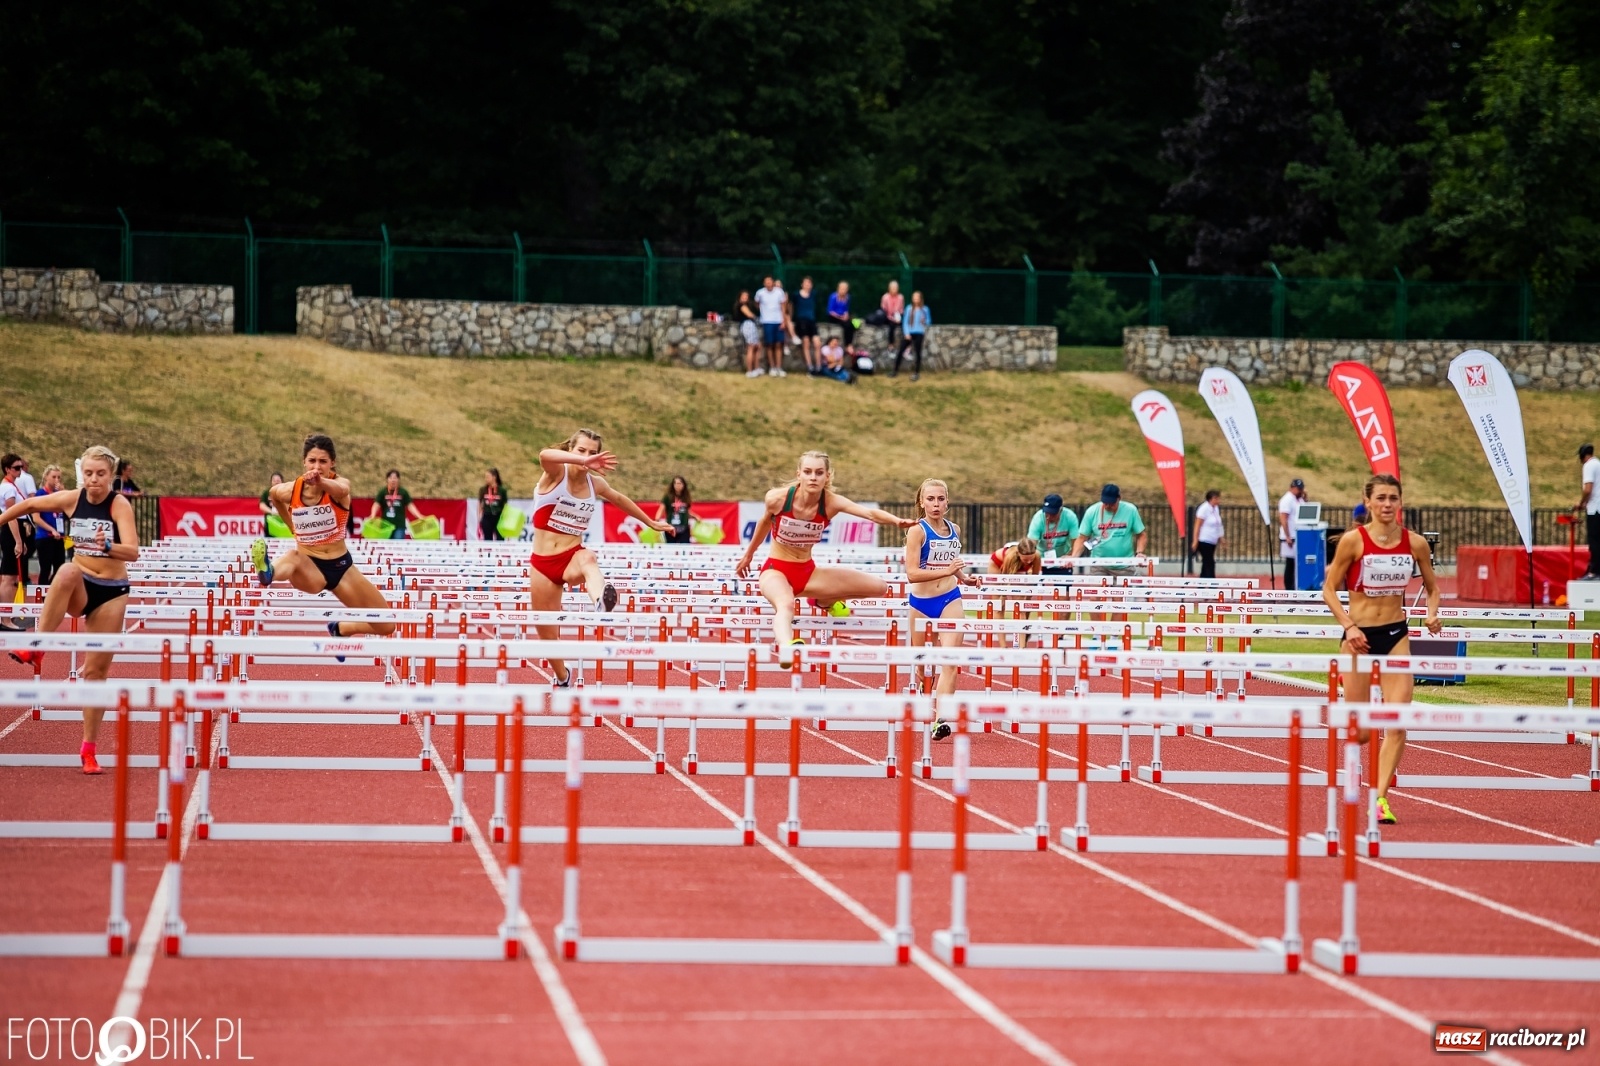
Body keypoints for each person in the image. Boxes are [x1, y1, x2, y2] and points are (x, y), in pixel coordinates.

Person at [1, 446, 140, 774]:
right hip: (80, 583)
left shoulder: (119, 504)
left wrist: (109, 546)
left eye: (101, 474)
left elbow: (132, 552)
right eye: (89, 473)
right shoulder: (71, 498)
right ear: (82, 474)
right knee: (66, 571)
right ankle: (38, 647)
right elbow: (32, 503)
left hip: (110, 592)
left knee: (94, 674)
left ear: (112, 475)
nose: (94, 480)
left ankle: (88, 750)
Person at [1321, 473, 1442, 825]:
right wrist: (1349, 626)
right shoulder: (1352, 542)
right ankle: (1363, 733)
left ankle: (1380, 798)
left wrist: (1433, 615)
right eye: (1382, 498)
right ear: (1368, 502)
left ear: (1400, 502)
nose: (1387, 504)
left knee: (1398, 721)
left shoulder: (1415, 543)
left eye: (1393, 498)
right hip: (1359, 639)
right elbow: (1329, 590)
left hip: (1395, 635)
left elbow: (1432, 589)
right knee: (1358, 732)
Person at [735, 451, 914, 665]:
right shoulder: (777, 499)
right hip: (776, 570)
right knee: (786, 604)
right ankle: (787, 648)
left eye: (819, 473)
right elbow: (764, 523)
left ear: (827, 476)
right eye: (808, 472)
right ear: (799, 474)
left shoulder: (831, 503)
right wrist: (749, 555)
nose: (813, 477)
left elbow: (869, 514)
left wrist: (896, 521)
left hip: (808, 573)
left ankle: (824, 600)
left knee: (879, 587)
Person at [530, 429, 673, 686]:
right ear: (571, 450)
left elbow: (619, 499)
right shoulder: (555, 473)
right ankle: (563, 676)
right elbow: (544, 454)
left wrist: (650, 522)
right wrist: (581, 461)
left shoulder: (595, 484)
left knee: (588, 559)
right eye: (581, 450)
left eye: (593, 453)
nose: (588, 457)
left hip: (571, 556)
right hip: (542, 563)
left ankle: (601, 600)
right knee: (546, 632)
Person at [251, 435, 398, 648]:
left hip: (342, 568)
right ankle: (268, 572)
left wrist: (321, 482)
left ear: (333, 463)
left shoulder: (339, 485)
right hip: (310, 567)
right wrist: (292, 526)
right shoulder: (293, 489)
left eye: (323, 461)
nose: (317, 466)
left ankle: (341, 628)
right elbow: (274, 495)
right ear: (304, 462)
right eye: (312, 461)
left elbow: (343, 490)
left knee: (387, 626)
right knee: (293, 557)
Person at [905, 478, 979, 736]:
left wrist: (964, 578)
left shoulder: (954, 529)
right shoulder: (917, 531)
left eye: (940, 499)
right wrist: (947, 570)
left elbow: (952, 564)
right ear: (921, 502)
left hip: (950, 598)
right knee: (923, 665)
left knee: (950, 660)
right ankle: (926, 685)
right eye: (930, 499)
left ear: (947, 501)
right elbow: (912, 574)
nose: (936, 504)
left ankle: (941, 718)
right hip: (921, 603)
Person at [1070, 484, 1147, 574]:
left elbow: (1141, 534)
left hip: (1124, 565)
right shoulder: (1092, 511)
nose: (1108, 506)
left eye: (1111, 503)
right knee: (1097, 588)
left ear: (1119, 498)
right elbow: (1082, 538)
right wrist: (1074, 557)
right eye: (1105, 502)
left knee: (1123, 587)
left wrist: (1139, 553)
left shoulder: (1130, 510)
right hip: (1098, 565)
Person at [0, 455, 30, 617]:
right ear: (7, 469)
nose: (20, 471)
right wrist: (18, 541)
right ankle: (5, 619)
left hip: (13, 530)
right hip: (11, 530)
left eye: (21, 467)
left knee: (10, 577)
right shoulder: (8, 488)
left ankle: (6, 618)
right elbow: (11, 515)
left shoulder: (10, 486)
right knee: (9, 578)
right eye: (17, 468)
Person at [32, 465, 67, 588]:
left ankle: (51, 591)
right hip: (45, 537)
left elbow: (68, 511)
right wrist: (51, 530)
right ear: (46, 477)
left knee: (60, 568)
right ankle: (43, 597)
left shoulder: (60, 494)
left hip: (59, 536)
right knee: (45, 568)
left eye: (59, 477)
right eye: (53, 477)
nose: (56, 479)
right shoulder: (40, 494)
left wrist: (64, 492)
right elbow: (36, 518)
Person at [1027, 494, 1078, 575]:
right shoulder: (1038, 518)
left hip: (1062, 560)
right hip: (1041, 559)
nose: (1048, 516)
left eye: (1053, 514)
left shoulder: (1070, 517)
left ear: (1060, 510)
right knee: (1037, 586)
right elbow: (1032, 543)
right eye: (1046, 513)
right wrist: (1033, 559)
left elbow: (1076, 541)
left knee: (1064, 586)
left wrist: (1071, 555)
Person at [371, 469, 423, 539]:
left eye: (395, 478)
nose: (393, 480)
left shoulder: (403, 492)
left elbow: (410, 506)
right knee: (385, 547)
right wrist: (373, 515)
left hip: (399, 526)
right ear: (387, 479)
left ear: (398, 480)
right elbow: (376, 505)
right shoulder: (383, 492)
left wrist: (419, 516)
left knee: (398, 547)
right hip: (385, 527)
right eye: (391, 478)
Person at [754, 275, 788, 378]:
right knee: (769, 344)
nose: (768, 283)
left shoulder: (779, 292)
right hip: (767, 321)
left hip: (778, 320)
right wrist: (763, 311)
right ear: (764, 284)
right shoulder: (760, 293)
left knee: (778, 344)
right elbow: (756, 303)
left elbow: (783, 306)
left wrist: (783, 321)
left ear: (773, 282)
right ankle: (772, 367)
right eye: (766, 282)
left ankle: (779, 367)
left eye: (770, 281)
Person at [894, 291, 930, 380]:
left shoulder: (924, 309)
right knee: (901, 350)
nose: (915, 299)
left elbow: (929, 321)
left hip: (919, 332)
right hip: (909, 333)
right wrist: (906, 333)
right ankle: (895, 370)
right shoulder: (909, 308)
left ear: (920, 299)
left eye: (917, 297)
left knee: (918, 352)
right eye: (914, 297)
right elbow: (905, 322)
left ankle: (916, 373)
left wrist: (924, 321)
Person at [1278, 477, 1306, 589]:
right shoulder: (1287, 499)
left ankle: (1295, 586)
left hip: (1298, 535)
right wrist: (1287, 536)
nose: (1300, 491)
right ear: (1292, 488)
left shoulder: (1298, 499)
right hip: (1290, 536)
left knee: (1296, 564)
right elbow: (1283, 518)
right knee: (1290, 563)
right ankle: (1289, 587)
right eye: (1298, 489)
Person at [1578, 444, 1600, 579]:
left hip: (1594, 509)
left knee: (1594, 540)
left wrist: (1581, 503)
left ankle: (1594, 570)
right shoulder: (1598, 463)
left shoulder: (1589, 466)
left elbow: (1588, 489)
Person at [1192, 489, 1224, 579]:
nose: (1218, 501)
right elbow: (1197, 525)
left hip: (1212, 540)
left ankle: (1202, 584)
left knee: (1206, 562)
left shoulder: (1215, 509)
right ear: (1211, 499)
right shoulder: (1204, 509)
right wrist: (1195, 540)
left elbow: (1218, 524)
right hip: (1204, 539)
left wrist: (1221, 537)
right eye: (1217, 499)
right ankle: (1212, 582)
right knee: (1209, 562)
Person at [792, 276, 822, 374]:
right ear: (802, 284)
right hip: (801, 321)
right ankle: (810, 367)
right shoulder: (796, 295)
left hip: (812, 321)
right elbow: (791, 307)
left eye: (809, 283)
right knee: (806, 342)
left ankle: (818, 367)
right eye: (805, 283)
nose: (807, 285)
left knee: (817, 343)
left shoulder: (813, 294)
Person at [662, 476, 699, 544]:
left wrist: (695, 517)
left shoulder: (686, 497)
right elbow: (661, 509)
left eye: (679, 483)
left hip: (683, 527)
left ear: (683, 485)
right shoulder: (668, 497)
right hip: (671, 527)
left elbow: (686, 512)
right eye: (675, 483)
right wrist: (656, 519)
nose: (677, 485)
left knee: (685, 548)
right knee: (671, 548)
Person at [737, 290, 762, 378]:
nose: (745, 298)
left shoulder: (748, 305)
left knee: (757, 346)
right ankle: (750, 370)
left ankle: (756, 368)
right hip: (747, 325)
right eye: (743, 296)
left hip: (751, 325)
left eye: (746, 296)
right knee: (751, 347)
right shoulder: (741, 306)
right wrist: (758, 319)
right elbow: (749, 315)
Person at [479, 468, 508, 541]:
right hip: (487, 516)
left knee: (500, 538)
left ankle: (499, 552)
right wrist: (479, 517)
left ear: (494, 477)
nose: (486, 479)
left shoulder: (502, 490)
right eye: (485, 477)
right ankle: (488, 553)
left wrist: (504, 517)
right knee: (487, 539)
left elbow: (505, 505)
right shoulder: (483, 489)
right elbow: (480, 504)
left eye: (488, 477)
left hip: (498, 516)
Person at [880, 280, 905, 356]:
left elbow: (901, 310)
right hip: (888, 317)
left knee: (905, 326)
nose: (894, 289)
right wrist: (892, 318)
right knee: (891, 326)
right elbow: (883, 310)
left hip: (897, 317)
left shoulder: (901, 297)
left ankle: (906, 348)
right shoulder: (885, 297)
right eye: (893, 288)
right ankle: (891, 346)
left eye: (896, 288)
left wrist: (898, 316)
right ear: (889, 288)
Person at [827, 281, 854, 348]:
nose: (843, 290)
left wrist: (846, 315)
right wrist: (840, 317)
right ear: (838, 288)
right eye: (842, 288)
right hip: (834, 316)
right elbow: (830, 311)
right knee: (847, 325)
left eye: (845, 289)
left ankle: (849, 344)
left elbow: (846, 309)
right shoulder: (833, 297)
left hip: (843, 316)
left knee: (852, 325)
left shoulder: (848, 297)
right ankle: (847, 345)